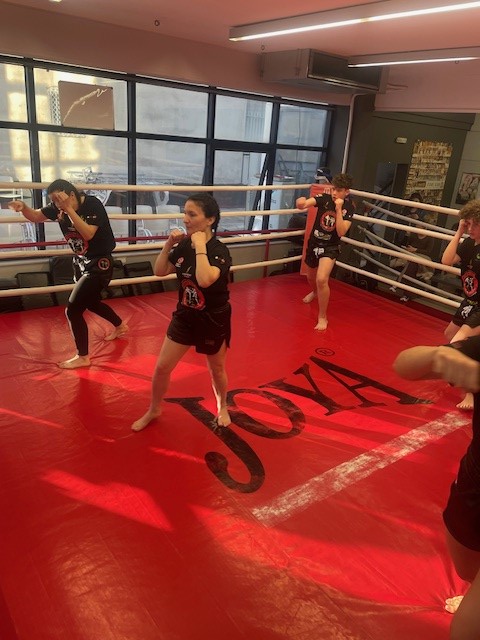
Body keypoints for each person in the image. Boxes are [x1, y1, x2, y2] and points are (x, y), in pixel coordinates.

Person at [393, 337, 480, 639]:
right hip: (475, 479)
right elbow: (404, 365)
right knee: (467, 568)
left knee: (467, 628)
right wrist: (438, 356)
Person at [131, 193, 232, 433]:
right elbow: (159, 270)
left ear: (210, 220)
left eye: (192, 214)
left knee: (216, 369)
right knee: (162, 367)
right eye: (185, 213)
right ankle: (154, 409)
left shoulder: (219, 250)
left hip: (213, 319)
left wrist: (200, 246)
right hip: (185, 316)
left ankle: (223, 407)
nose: (185, 219)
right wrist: (169, 244)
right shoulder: (184, 245)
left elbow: (205, 280)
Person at [8, 179, 128, 369]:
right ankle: (120, 326)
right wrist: (23, 207)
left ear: (71, 195)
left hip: (100, 263)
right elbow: (36, 216)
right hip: (81, 261)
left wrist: (69, 210)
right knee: (91, 302)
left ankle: (83, 357)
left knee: (72, 310)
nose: (56, 204)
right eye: (53, 200)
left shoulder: (92, 204)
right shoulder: (57, 207)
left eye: (58, 199)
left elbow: (88, 234)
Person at [296, 173, 354, 331]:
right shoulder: (324, 198)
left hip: (331, 247)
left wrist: (339, 209)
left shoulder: (349, 207)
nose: (335, 193)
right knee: (311, 277)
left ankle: (322, 317)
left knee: (321, 279)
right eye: (334, 189)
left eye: (339, 190)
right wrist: (300, 203)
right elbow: (305, 204)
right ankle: (315, 292)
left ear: (346, 192)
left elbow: (341, 232)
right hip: (314, 243)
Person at [442, 200, 480, 410]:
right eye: (469, 224)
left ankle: (471, 394)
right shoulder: (468, 244)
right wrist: (459, 232)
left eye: (475, 224)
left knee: (459, 345)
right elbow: (446, 261)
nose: (471, 228)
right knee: (449, 335)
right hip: (469, 302)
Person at [390, 213, 436, 302]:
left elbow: (428, 251)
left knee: (411, 264)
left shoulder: (430, 238)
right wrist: (409, 248)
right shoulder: (413, 235)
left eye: (418, 227)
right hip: (411, 256)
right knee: (411, 265)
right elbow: (408, 244)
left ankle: (397, 283)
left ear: (424, 228)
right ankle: (406, 294)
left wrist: (416, 250)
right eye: (416, 226)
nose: (417, 228)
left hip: (422, 257)